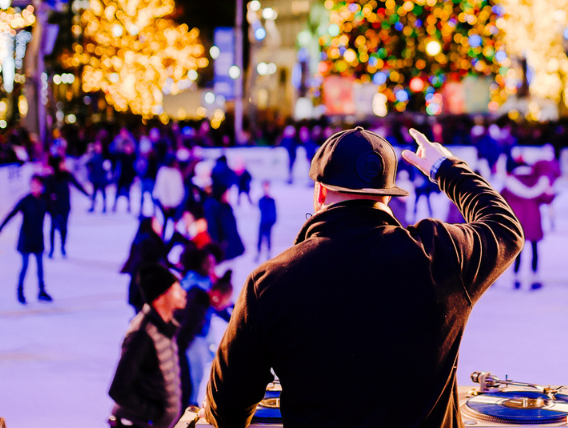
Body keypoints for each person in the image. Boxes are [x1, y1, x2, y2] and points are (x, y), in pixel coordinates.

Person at [204, 127, 523, 428]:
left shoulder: (270, 281)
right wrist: (446, 169)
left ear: (320, 191)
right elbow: (505, 228)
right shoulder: (440, 254)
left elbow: (226, 408)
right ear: (387, 196)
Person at [109, 264, 187, 428]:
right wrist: (153, 415)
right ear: (160, 298)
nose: (183, 293)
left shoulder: (165, 326)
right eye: (175, 289)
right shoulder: (142, 336)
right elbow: (118, 389)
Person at [177, 249, 232, 408]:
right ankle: (189, 405)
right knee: (194, 373)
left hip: (201, 334)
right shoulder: (194, 289)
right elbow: (188, 326)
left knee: (198, 373)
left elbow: (221, 307)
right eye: (207, 263)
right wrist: (180, 349)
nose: (211, 266)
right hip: (194, 339)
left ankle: (190, 402)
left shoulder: (208, 283)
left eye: (213, 263)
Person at [0, 176, 53, 305]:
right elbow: (12, 213)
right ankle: (20, 291)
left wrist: (59, 221)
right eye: (33, 185)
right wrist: (0, 227)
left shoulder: (44, 200)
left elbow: (53, 214)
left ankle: (41, 291)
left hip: (38, 238)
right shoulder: (26, 200)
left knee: (40, 266)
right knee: (25, 265)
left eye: (37, 185)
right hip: (26, 238)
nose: (35, 187)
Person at [502, 161, 551, 290]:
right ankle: (534, 276)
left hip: (517, 222)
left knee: (518, 251)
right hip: (533, 221)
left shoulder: (510, 184)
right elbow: (546, 199)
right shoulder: (537, 183)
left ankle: (516, 277)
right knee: (534, 250)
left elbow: (500, 201)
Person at [121, 217, 169, 312]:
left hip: (142, 291)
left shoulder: (146, 240)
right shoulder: (147, 242)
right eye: (156, 223)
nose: (159, 226)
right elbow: (160, 255)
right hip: (143, 292)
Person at [47, 157, 90, 259]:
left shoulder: (67, 175)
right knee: (53, 227)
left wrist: (87, 194)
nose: (64, 165)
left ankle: (63, 246)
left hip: (65, 205)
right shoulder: (50, 177)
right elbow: (47, 192)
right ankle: (52, 249)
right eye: (62, 163)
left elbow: (77, 185)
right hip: (54, 207)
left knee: (64, 227)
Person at [154, 159, 187, 230]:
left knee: (175, 224)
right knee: (163, 223)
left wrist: (179, 201)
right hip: (164, 204)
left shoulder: (176, 172)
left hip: (176, 204)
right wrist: (165, 203)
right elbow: (161, 188)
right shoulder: (163, 172)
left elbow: (180, 188)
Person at [87, 142, 112, 214]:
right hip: (95, 176)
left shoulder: (104, 155)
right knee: (94, 192)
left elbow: (108, 165)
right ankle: (93, 206)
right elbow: (89, 164)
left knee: (103, 192)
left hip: (102, 176)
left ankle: (104, 206)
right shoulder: (93, 155)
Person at [255, 182, 276, 262]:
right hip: (263, 222)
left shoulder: (271, 200)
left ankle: (268, 253)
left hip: (268, 222)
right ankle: (258, 253)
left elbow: (274, 212)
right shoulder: (261, 200)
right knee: (260, 239)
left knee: (268, 239)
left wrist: (273, 221)